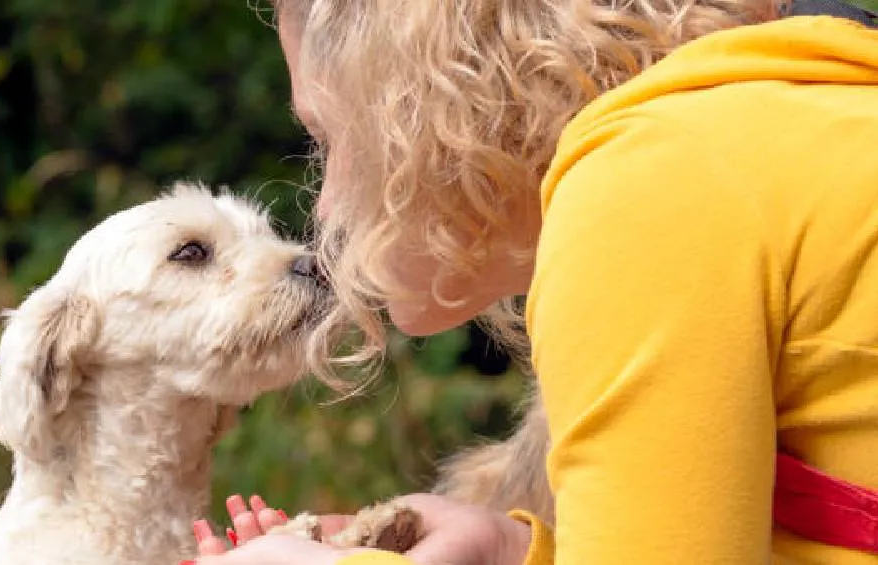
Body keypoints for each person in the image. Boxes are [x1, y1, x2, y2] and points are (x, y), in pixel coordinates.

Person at [189, 0, 878, 563]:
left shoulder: (646, 186)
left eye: (328, 139)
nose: (325, 207)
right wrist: (517, 550)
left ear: (411, 110)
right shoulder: (758, 126)